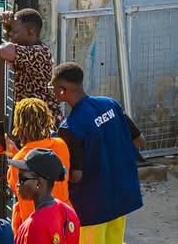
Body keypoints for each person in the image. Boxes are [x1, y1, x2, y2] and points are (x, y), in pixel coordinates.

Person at [52, 63, 144, 243]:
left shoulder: (70, 126)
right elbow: (139, 140)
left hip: (92, 206)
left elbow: (76, 176)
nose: (52, 92)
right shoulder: (110, 104)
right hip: (120, 196)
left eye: (53, 88)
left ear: (62, 90)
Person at [6, 98, 70, 230]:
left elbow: (16, 187)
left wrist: (14, 155)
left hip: (34, 225)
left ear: (19, 125)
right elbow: (40, 160)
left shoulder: (18, 161)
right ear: (47, 119)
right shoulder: (61, 145)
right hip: (63, 220)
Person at [0, 9, 62, 121]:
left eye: (15, 31)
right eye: (11, 31)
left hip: (41, 120)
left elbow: (3, 51)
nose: (11, 34)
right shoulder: (29, 50)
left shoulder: (37, 53)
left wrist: (8, 29)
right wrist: (9, 27)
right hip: (31, 118)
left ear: (31, 32)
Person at [10, 148, 80, 244]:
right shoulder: (69, 212)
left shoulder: (35, 225)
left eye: (22, 178)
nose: (18, 183)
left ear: (39, 183)